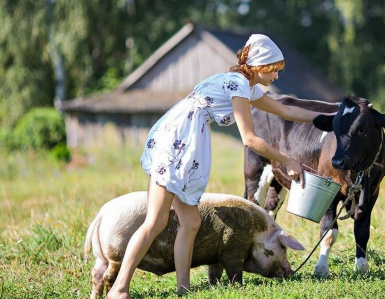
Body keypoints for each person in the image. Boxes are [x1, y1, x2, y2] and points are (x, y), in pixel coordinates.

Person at [106, 33, 334, 298]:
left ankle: (184, 290)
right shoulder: (238, 83)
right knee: (155, 222)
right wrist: (288, 160)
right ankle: (119, 290)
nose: (277, 77)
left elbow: (288, 111)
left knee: (190, 222)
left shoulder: (246, 87)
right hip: (178, 138)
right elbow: (249, 138)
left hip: (190, 138)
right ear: (259, 66)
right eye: (274, 70)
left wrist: (332, 116)